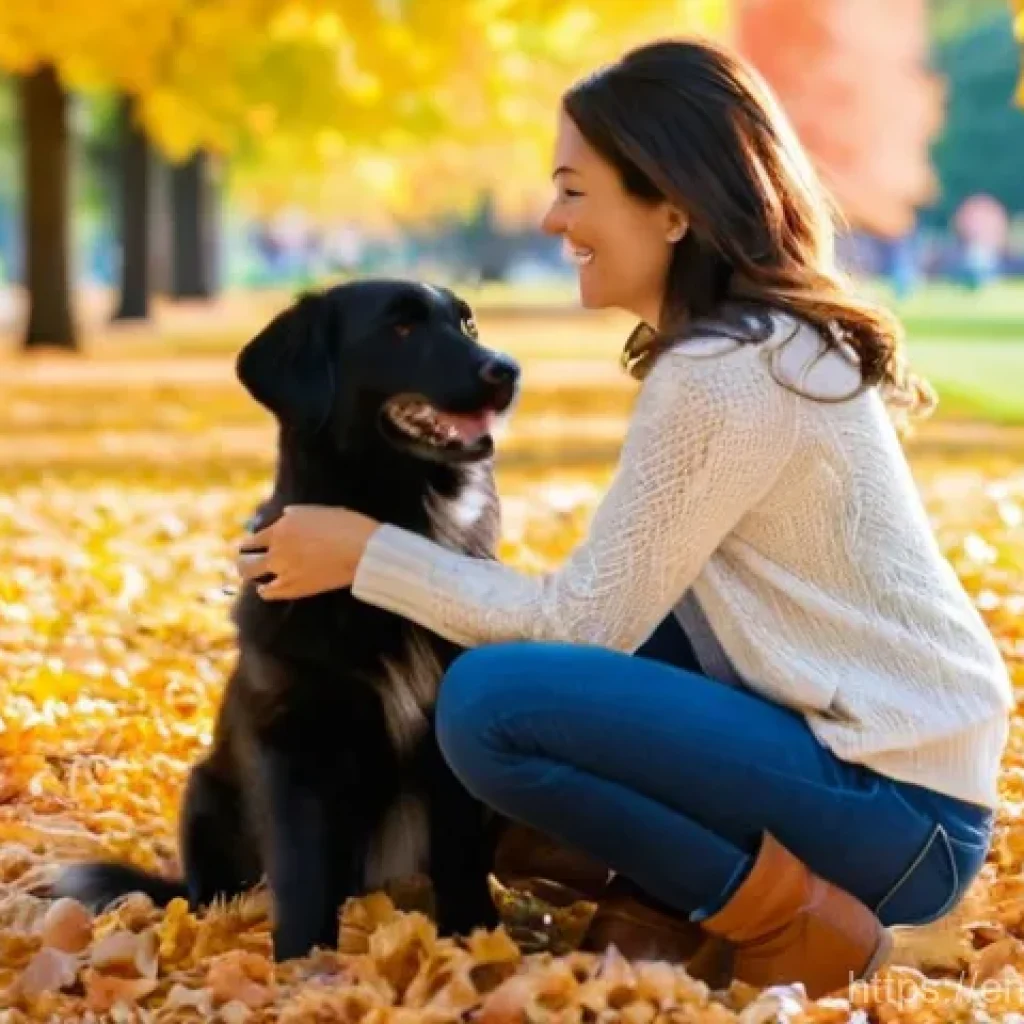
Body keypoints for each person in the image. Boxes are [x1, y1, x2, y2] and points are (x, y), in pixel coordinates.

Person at [236, 39, 1012, 999]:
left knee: (488, 706)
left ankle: (788, 922)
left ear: (673, 208)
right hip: (897, 786)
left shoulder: (727, 374)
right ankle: (649, 891)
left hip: (899, 813)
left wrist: (366, 554)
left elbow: (579, 624)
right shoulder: (750, 346)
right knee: (580, 659)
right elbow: (626, 607)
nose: (554, 218)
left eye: (574, 189)